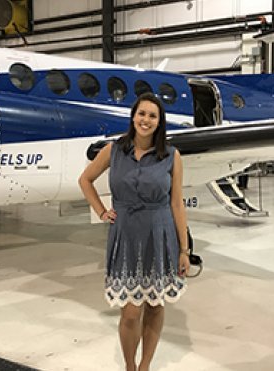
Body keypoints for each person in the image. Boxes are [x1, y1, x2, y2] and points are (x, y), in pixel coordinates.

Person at [78, 93, 190, 371]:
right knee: (130, 312)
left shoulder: (172, 156)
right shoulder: (113, 150)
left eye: (153, 116)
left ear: (159, 122)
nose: (146, 120)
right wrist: (102, 211)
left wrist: (184, 249)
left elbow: (177, 203)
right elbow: (85, 179)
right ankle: (130, 366)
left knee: (154, 305)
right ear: (133, 116)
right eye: (142, 114)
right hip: (126, 236)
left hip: (160, 235)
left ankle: (145, 365)